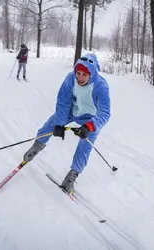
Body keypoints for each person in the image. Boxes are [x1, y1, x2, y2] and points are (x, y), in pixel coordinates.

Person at [23, 53, 111, 194]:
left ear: (92, 74)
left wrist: (89, 126)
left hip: (91, 119)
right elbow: (63, 101)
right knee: (50, 123)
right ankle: (37, 146)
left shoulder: (101, 86)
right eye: (78, 73)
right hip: (73, 110)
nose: (80, 77)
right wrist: (59, 123)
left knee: (85, 144)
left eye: (84, 74)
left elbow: (105, 113)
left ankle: (72, 175)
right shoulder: (70, 78)